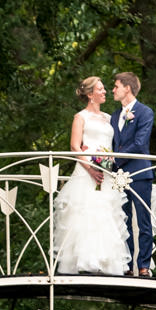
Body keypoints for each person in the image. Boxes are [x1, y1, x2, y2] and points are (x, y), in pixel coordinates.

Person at [52, 76, 130, 276]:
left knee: (105, 215)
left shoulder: (108, 117)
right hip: (87, 172)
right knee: (86, 214)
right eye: (101, 89)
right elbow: (75, 146)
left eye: (105, 89)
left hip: (105, 173)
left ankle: (105, 264)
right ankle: (86, 263)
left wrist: (107, 162)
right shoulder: (81, 117)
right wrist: (90, 167)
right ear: (90, 94)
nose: (105, 92)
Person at [111, 72, 154, 276]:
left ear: (127, 88)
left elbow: (139, 143)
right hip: (118, 176)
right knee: (123, 220)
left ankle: (143, 265)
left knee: (143, 221)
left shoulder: (145, 112)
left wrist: (115, 159)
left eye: (116, 86)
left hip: (140, 173)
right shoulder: (113, 116)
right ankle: (127, 265)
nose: (113, 90)